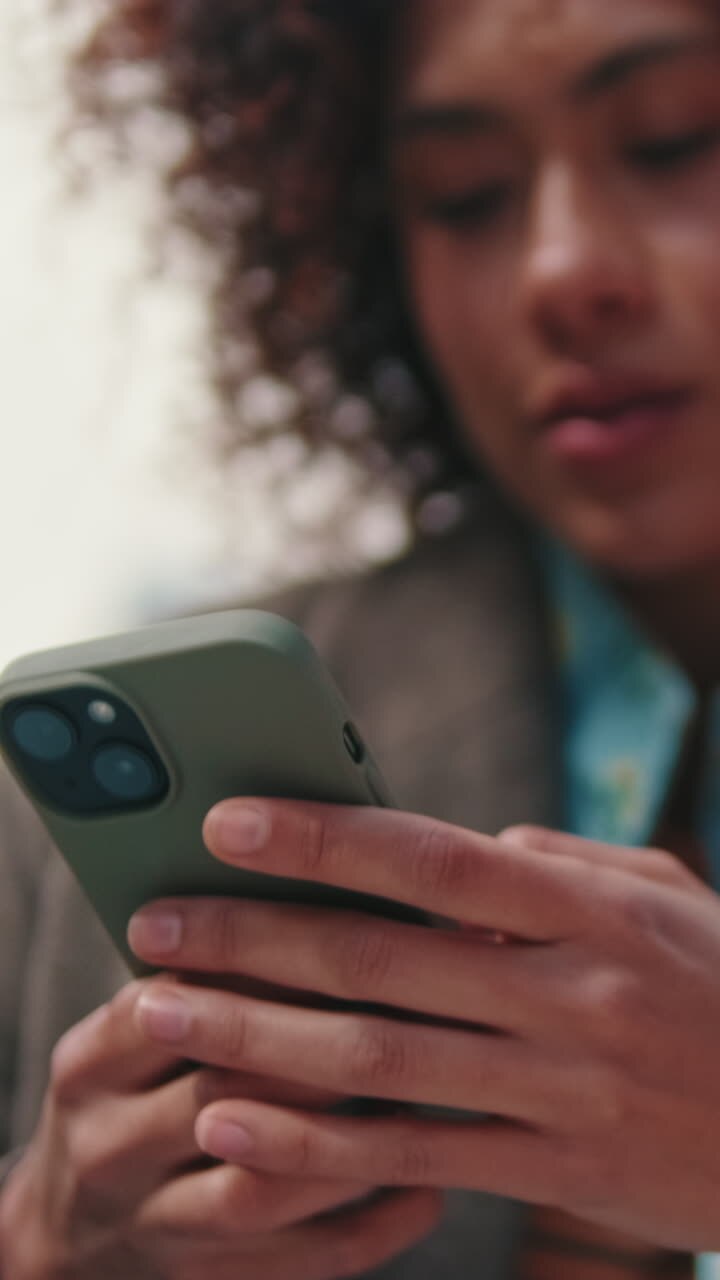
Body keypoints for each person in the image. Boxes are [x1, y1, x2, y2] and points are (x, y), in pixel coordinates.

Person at [2, 0, 720, 1276]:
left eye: (678, 139)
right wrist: (41, 1245)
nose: (563, 269)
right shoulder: (83, 812)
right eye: (465, 195)